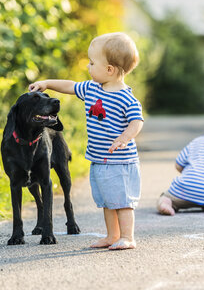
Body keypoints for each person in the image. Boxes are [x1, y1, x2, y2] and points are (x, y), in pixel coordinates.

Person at [29, 32, 143, 250]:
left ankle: (127, 237)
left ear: (109, 69)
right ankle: (112, 236)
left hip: (121, 162)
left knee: (122, 202)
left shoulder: (126, 97)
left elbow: (137, 121)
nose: (88, 67)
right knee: (108, 202)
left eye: (92, 63)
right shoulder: (92, 89)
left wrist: (124, 138)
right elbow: (70, 86)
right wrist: (47, 83)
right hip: (100, 159)